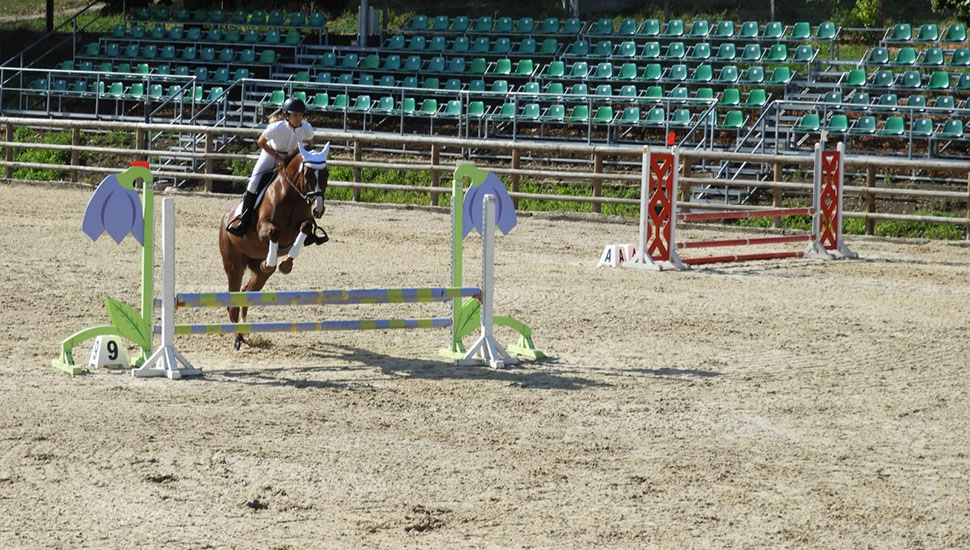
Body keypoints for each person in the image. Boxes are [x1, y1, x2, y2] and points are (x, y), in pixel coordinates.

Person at [226, 97, 314, 236]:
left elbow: (309, 143)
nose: (299, 118)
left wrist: (298, 156)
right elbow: (261, 141)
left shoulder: (306, 128)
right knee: (254, 182)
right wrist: (278, 158)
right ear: (286, 115)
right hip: (272, 154)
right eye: (295, 115)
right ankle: (243, 219)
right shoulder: (276, 128)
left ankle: (310, 226)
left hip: (292, 156)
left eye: (301, 115)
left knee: (306, 183)